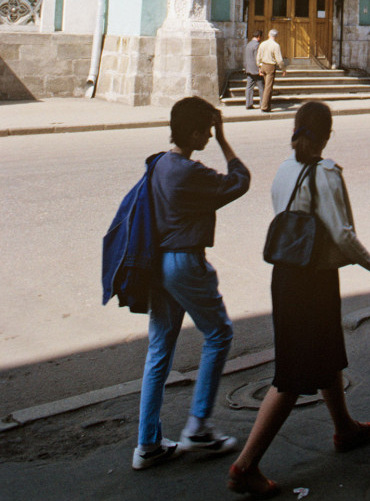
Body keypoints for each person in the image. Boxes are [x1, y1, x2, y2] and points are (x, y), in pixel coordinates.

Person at [228, 100, 370, 498]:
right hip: (313, 281)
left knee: (326, 352)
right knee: (291, 376)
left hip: (286, 275)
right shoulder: (326, 173)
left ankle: (345, 428)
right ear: (328, 134)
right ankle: (245, 466)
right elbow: (343, 235)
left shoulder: (285, 169)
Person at [133, 98, 250, 470]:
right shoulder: (189, 172)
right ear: (197, 133)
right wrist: (226, 141)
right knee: (219, 334)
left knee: (159, 351)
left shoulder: (159, 164)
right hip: (184, 261)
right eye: (207, 131)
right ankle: (198, 425)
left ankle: (147, 443)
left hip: (158, 264)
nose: (210, 135)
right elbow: (240, 181)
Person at [258, 28, 287, 113]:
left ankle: (265, 104)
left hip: (263, 65)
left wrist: (259, 67)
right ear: (276, 36)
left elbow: (258, 57)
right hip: (270, 66)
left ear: (268, 35)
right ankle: (264, 106)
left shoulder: (262, 44)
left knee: (266, 86)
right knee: (268, 87)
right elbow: (279, 59)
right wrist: (283, 69)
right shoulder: (275, 45)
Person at [245, 30, 264, 111]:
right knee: (262, 87)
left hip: (249, 69)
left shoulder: (248, 44)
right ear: (259, 36)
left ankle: (248, 104)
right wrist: (260, 68)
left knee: (249, 87)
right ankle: (263, 104)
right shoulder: (257, 45)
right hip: (256, 70)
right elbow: (257, 58)